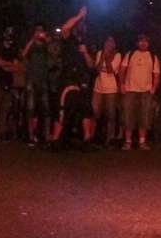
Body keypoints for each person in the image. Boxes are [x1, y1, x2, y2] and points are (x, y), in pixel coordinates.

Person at [50, 8, 96, 149]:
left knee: (86, 109)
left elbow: (91, 65)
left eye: (83, 24)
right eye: (79, 24)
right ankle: (55, 140)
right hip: (67, 78)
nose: (81, 26)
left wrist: (85, 53)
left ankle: (87, 140)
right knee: (63, 109)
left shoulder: (86, 43)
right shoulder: (68, 39)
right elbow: (65, 27)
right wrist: (79, 15)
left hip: (81, 80)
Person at [120, 34, 160, 150]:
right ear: (137, 43)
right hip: (130, 90)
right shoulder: (130, 54)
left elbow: (156, 75)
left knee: (145, 116)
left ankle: (142, 142)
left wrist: (154, 88)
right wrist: (122, 84)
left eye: (145, 41)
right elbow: (122, 70)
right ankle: (128, 141)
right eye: (141, 41)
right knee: (128, 115)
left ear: (148, 43)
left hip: (146, 91)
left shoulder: (152, 56)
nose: (143, 43)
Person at [22, 23, 52, 145]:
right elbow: (23, 54)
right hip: (31, 80)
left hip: (43, 80)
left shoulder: (46, 44)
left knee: (46, 109)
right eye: (37, 30)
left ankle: (46, 136)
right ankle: (31, 135)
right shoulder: (31, 44)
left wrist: (45, 38)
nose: (39, 32)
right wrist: (32, 39)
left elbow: (53, 51)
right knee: (31, 109)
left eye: (41, 30)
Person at [92, 36, 121, 146]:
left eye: (111, 42)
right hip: (98, 88)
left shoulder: (117, 55)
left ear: (114, 45)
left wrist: (107, 57)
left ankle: (109, 139)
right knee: (95, 112)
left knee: (110, 115)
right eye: (107, 42)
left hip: (111, 89)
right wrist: (102, 57)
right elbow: (97, 69)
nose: (108, 44)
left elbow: (110, 70)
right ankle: (91, 136)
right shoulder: (100, 53)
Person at [0, 27, 19, 142]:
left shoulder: (13, 49)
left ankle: (1, 132)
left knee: (5, 109)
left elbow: (16, 67)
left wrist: (6, 65)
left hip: (8, 81)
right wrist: (8, 65)